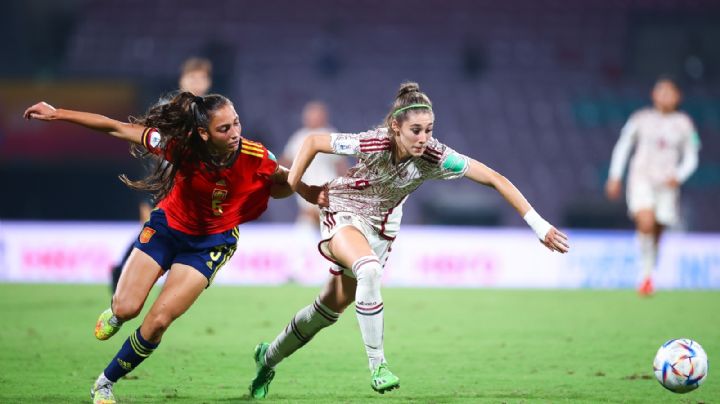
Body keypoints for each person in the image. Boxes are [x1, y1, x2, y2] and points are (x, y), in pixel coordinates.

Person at [248, 82, 570, 398]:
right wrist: (297, 186)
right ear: (395, 126)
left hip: (380, 232)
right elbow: (314, 142)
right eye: (416, 130)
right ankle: (379, 366)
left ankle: (268, 358)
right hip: (343, 212)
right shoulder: (375, 143)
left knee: (326, 311)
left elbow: (494, 179)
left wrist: (539, 227)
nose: (423, 138)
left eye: (429, 129)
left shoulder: (435, 156)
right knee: (369, 270)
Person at [23, 92, 325, 404]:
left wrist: (310, 192)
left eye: (236, 123)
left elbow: (283, 179)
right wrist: (58, 113)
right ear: (203, 133)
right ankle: (116, 313)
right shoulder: (179, 146)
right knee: (127, 307)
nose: (235, 133)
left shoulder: (254, 154)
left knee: (158, 322)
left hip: (211, 243)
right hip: (167, 229)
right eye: (224, 129)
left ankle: (104, 383)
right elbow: (115, 128)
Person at [111, 57, 214, 292]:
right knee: (151, 230)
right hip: (162, 183)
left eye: (202, 78)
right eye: (192, 77)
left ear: (208, 82)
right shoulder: (170, 108)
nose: (197, 83)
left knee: (161, 232)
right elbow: (150, 148)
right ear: (182, 80)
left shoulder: (211, 111)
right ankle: (123, 273)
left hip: (190, 186)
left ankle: (133, 274)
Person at [606, 77, 700, 296]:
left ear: (678, 97)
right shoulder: (640, 119)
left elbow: (692, 156)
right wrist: (615, 176)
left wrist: (680, 175)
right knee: (646, 221)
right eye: (661, 91)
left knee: (658, 229)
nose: (665, 96)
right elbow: (623, 146)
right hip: (642, 179)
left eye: (670, 92)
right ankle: (644, 275)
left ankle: (649, 271)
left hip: (667, 184)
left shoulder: (684, 123)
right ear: (653, 95)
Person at [281, 101, 347, 226]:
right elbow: (285, 161)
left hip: (328, 195)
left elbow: (341, 166)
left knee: (331, 233)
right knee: (304, 234)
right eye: (309, 114)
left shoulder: (331, 135)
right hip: (306, 198)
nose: (312, 117)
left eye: (316, 114)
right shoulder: (299, 137)